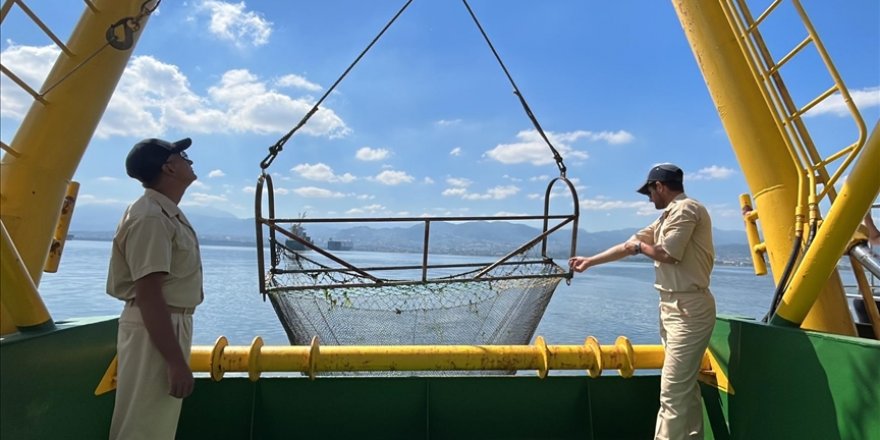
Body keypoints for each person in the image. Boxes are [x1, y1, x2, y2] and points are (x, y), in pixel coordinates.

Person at [569, 163, 715, 440]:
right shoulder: (666, 218)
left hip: (689, 309)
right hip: (672, 307)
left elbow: (669, 253)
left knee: (672, 391)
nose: (649, 199)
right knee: (685, 387)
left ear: (659, 186)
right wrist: (590, 262)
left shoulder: (686, 210)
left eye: (649, 192)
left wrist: (640, 248)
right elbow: (628, 245)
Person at [106, 137, 203, 439]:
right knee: (142, 426)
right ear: (169, 167)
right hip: (157, 326)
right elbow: (148, 293)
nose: (190, 160)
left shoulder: (162, 212)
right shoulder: (151, 216)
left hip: (167, 323)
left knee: (156, 425)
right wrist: (175, 362)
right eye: (183, 155)